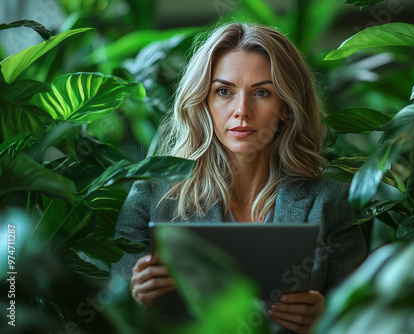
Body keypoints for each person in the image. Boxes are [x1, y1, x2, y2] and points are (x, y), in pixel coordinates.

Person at [112, 22, 367, 334]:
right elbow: (108, 311)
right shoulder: (151, 198)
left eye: (261, 92)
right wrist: (136, 296)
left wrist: (327, 317)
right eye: (224, 91)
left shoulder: (330, 202)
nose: (242, 111)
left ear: (286, 107)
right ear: (203, 101)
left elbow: (367, 319)